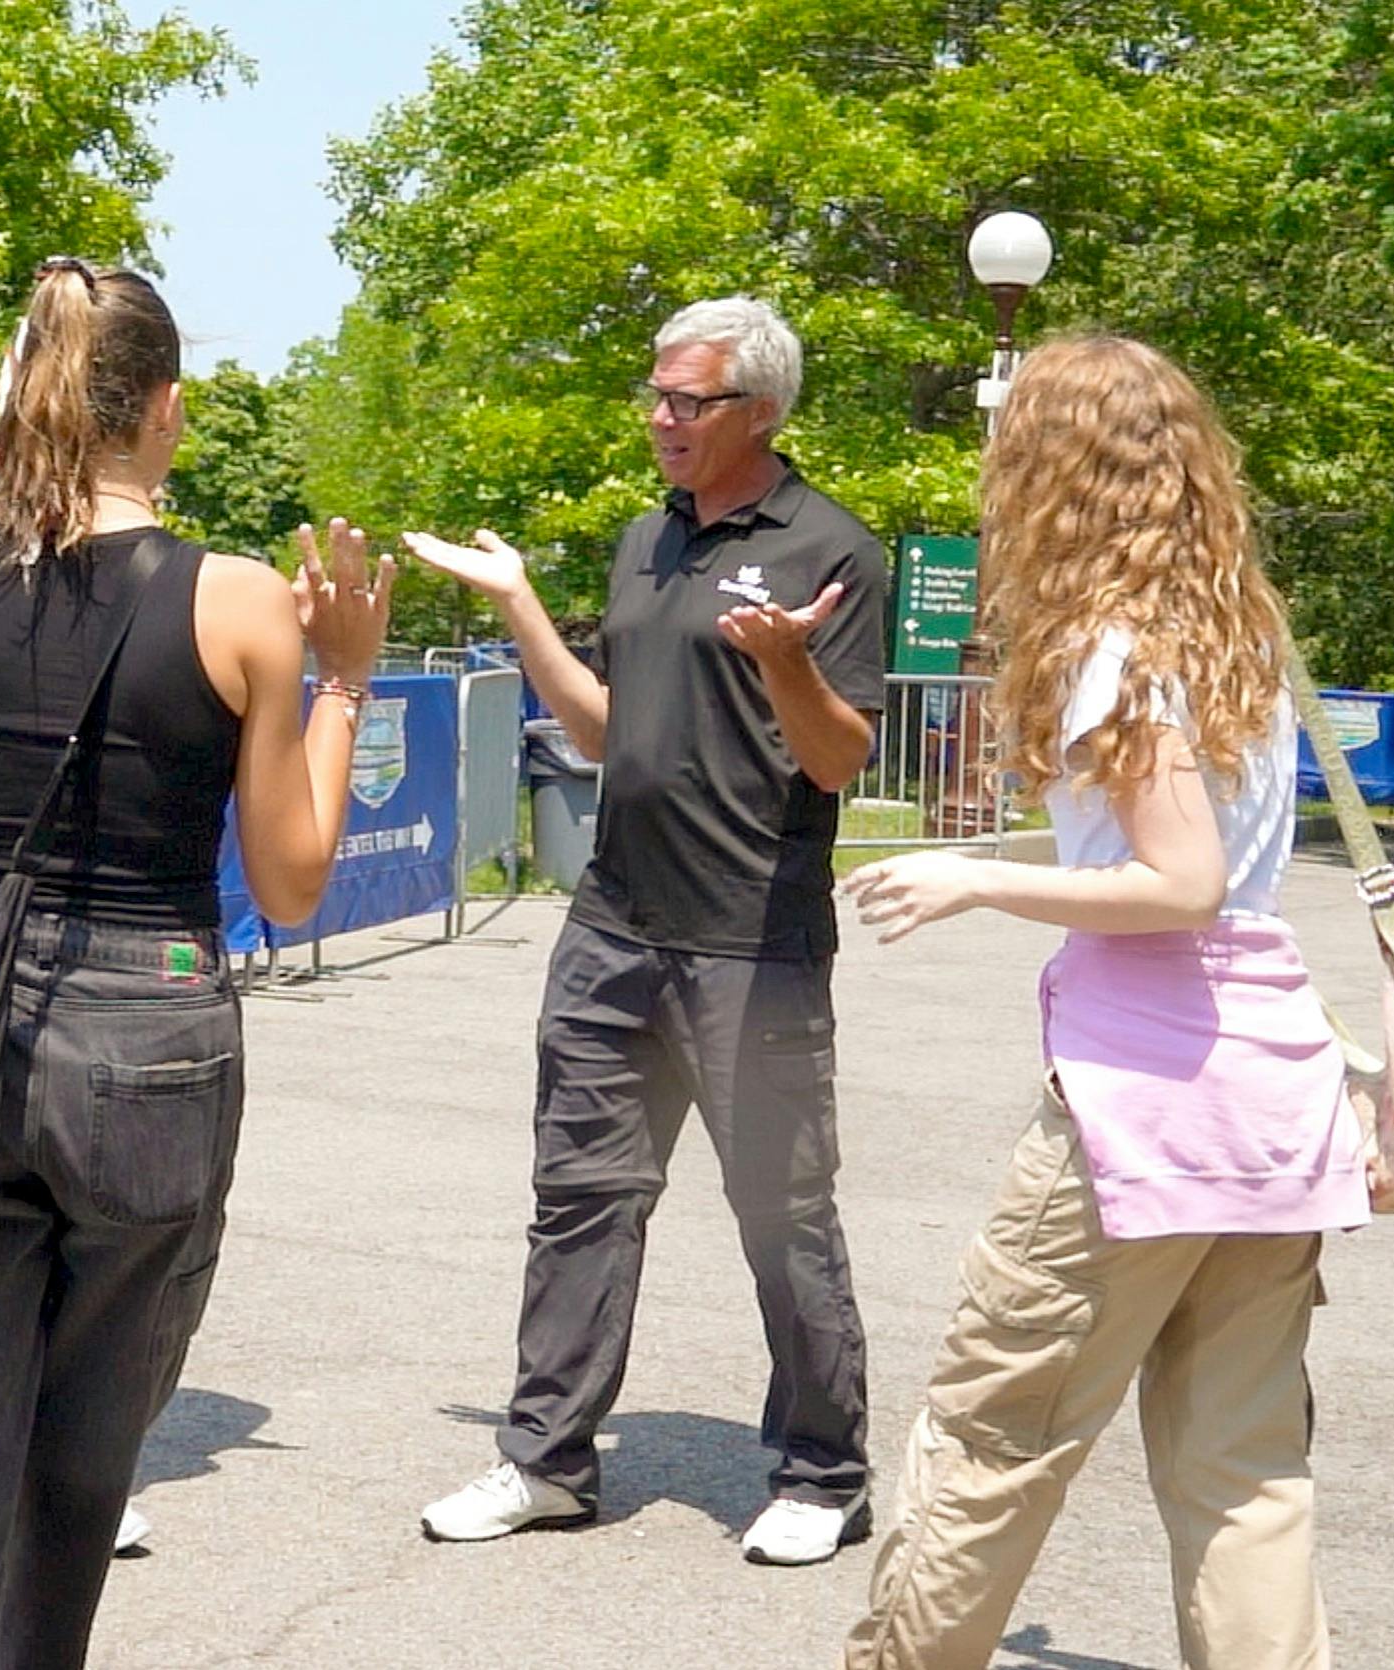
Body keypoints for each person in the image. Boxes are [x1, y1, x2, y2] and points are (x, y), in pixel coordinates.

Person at [0, 256, 392, 1669]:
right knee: (85, 1457)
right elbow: (289, 877)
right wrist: (342, 680)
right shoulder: (233, 601)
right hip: (145, 1030)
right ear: (165, 407)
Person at [837, 336, 1371, 1669]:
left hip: (1137, 1108)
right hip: (1269, 1093)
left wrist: (975, 884)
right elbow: (1201, 868)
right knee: (1242, 1473)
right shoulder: (1239, 636)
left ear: (1047, 470)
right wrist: (989, 860)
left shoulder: (1111, 653)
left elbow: (1176, 879)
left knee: (991, 1435)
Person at [408, 296, 886, 1566]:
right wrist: (518, 601)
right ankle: (546, 1462)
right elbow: (604, 735)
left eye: (690, 401)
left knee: (779, 1212)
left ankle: (824, 1472)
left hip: (752, 943)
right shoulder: (644, 542)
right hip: (614, 928)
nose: (663, 419)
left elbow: (838, 758)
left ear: (761, 411)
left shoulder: (831, 548)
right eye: (657, 396)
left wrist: (788, 661)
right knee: (578, 1199)